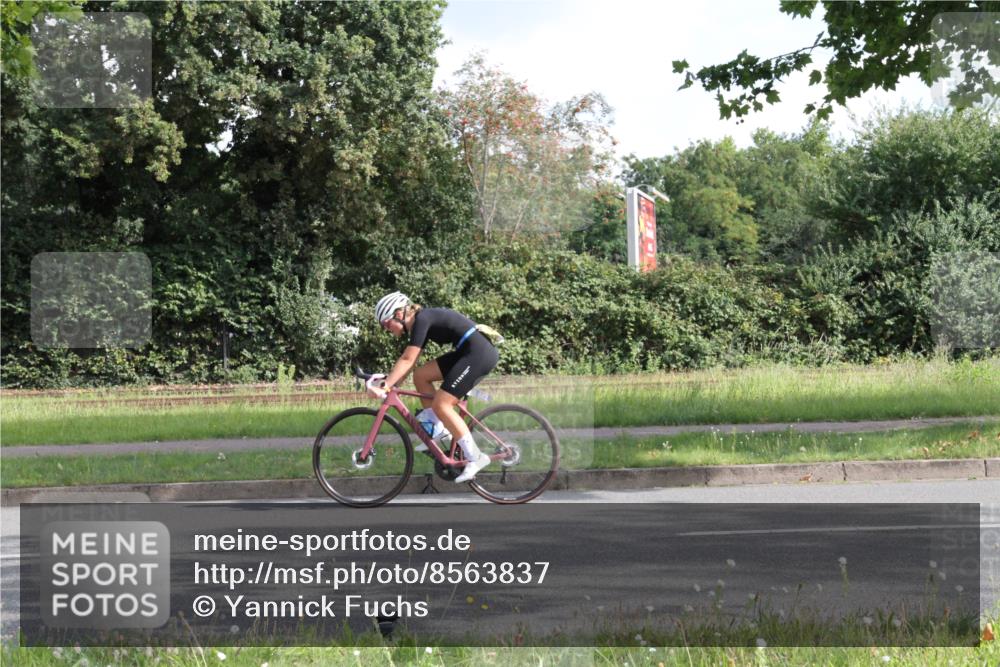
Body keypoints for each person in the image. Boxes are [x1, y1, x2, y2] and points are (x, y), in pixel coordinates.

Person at [368, 291, 499, 483]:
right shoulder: (421, 321)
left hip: (477, 354)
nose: (387, 329)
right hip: (467, 351)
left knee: (442, 404)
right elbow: (410, 364)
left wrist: (385, 385)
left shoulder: (422, 319)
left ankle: (476, 457)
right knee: (421, 376)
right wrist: (389, 382)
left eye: (386, 324)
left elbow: (407, 358)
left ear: (398, 314)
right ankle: (438, 430)